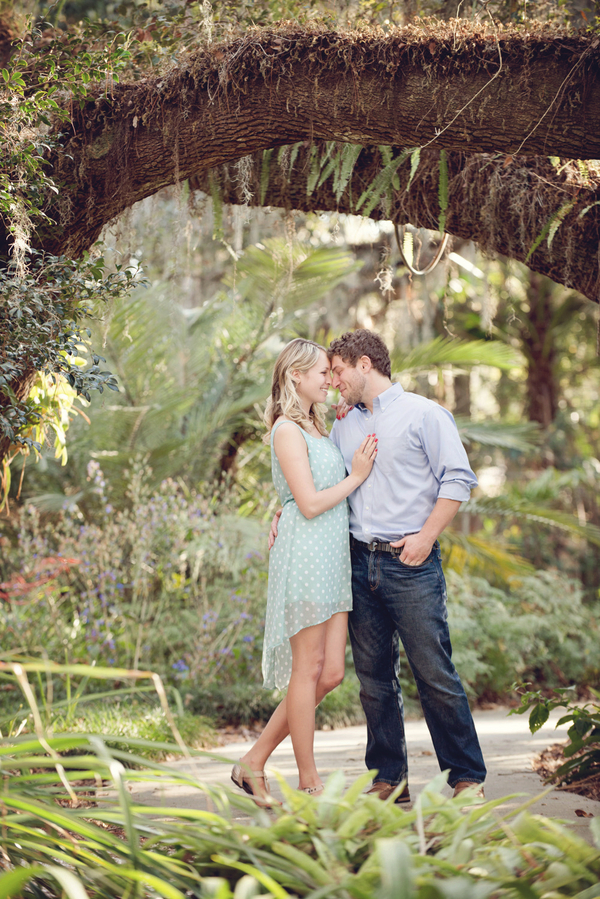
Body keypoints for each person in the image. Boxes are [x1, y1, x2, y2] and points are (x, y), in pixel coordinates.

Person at [271, 329, 486, 803]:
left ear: (364, 365)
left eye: (339, 371)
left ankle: (467, 776)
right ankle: (390, 779)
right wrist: (281, 513)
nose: (333, 383)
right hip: (354, 563)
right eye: (326, 375)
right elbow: (314, 475)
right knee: (373, 681)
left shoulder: (425, 415)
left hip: (410, 562)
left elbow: (458, 478)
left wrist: (426, 537)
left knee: (434, 673)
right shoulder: (341, 422)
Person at [231, 338, 378, 805]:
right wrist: (355, 477)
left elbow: (303, 495)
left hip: (332, 558)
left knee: (331, 673)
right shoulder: (285, 431)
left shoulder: (315, 427)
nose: (329, 380)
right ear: (295, 376)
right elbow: (310, 503)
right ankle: (308, 781)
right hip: (307, 555)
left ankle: (253, 761)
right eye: (321, 373)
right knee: (307, 668)